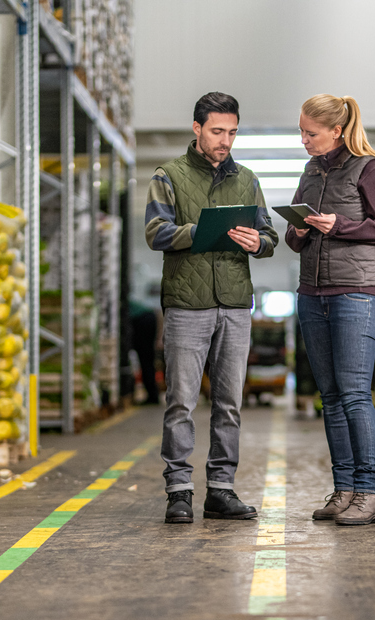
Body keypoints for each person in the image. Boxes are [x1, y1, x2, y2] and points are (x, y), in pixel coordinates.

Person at [145, 92, 278, 525]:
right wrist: (200, 231)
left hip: (236, 304)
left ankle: (221, 491)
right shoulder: (169, 175)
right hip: (187, 303)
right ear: (197, 128)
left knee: (229, 403)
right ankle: (179, 491)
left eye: (232, 132)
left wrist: (258, 242)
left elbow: (269, 236)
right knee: (181, 401)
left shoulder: (248, 179)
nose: (225, 140)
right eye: (218, 131)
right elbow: (156, 232)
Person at [285, 94, 375, 526]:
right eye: (301, 131)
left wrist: (341, 225)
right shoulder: (310, 171)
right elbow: (295, 239)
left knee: (354, 394)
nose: (303, 139)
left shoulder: (368, 168)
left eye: (310, 133)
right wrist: (298, 230)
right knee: (330, 397)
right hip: (312, 293)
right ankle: (345, 489)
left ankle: (368, 494)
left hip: (356, 293)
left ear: (336, 130)